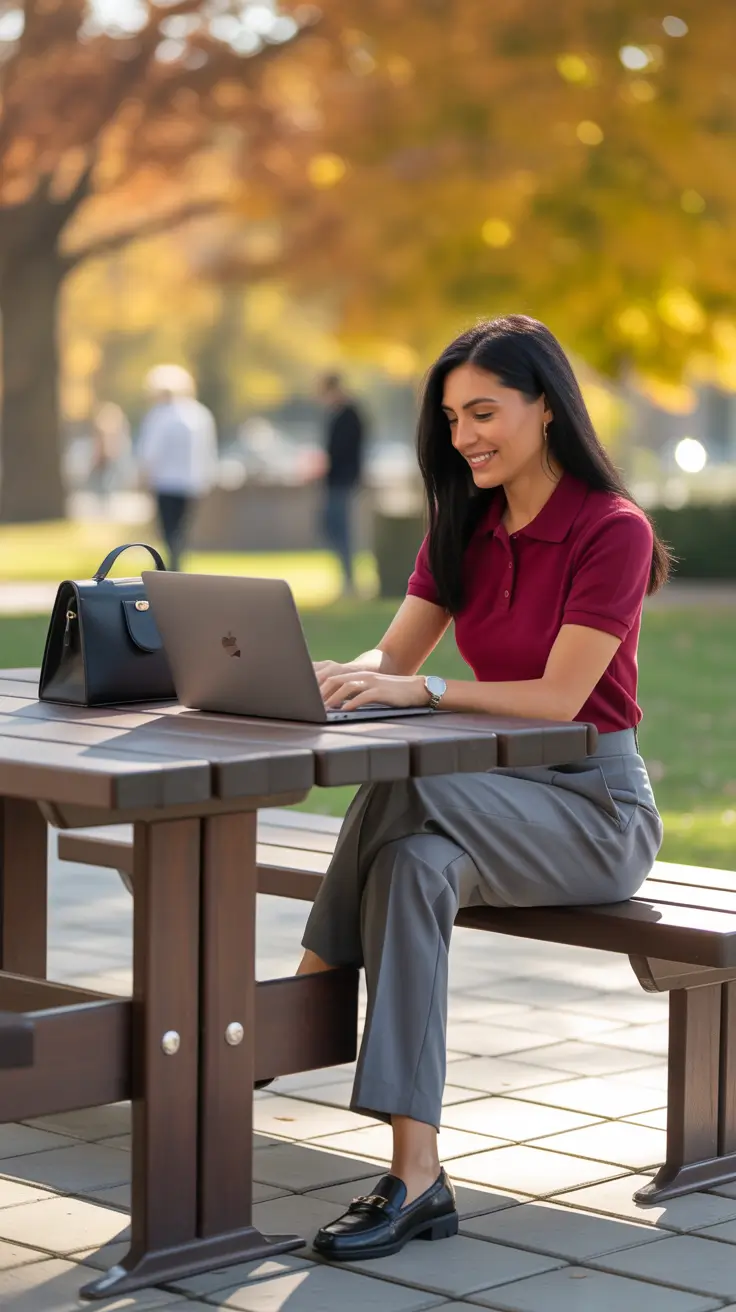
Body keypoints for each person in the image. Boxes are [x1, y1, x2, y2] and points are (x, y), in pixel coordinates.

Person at [295, 316, 671, 1261]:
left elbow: (557, 697)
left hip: (594, 812)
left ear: (546, 407)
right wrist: (347, 674)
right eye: (453, 416)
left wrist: (417, 690)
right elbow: (397, 652)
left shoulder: (611, 529)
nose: (465, 435)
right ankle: (416, 1175)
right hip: (480, 798)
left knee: (402, 785)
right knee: (413, 862)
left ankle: (295, 1004)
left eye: (485, 412)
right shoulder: (462, 521)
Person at [137, 365, 218, 571]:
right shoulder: (200, 414)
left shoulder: (159, 415)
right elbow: (208, 452)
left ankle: (166, 567)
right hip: (191, 482)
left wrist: (143, 477)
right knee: (181, 531)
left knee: (167, 530)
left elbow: (149, 452)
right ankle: (174, 566)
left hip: (165, 482)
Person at [318, 372, 366, 596]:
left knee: (340, 528)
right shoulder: (338, 415)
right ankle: (346, 576)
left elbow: (343, 450)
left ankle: (349, 579)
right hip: (334, 481)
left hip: (342, 481)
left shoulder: (349, 415)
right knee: (331, 526)